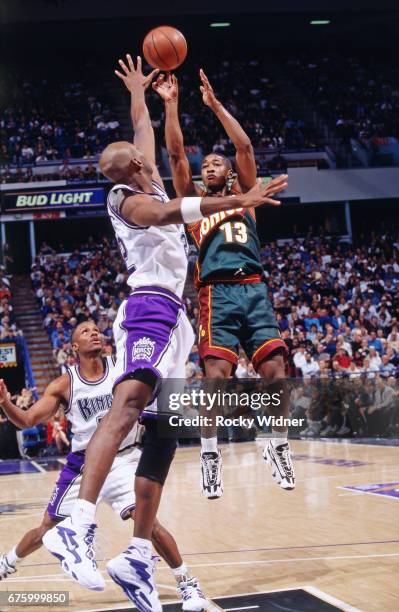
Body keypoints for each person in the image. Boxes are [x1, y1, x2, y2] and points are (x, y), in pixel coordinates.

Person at [41, 54, 288, 612]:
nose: (145, 154)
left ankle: (135, 554)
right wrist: (239, 200)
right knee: (128, 403)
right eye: (137, 157)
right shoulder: (131, 200)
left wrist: (141, 93)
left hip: (178, 317)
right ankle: (77, 525)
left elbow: (141, 130)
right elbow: (172, 213)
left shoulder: (140, 169)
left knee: (163, 433)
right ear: (128, 169)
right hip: (149, 307)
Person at [0, 321, 207, 611]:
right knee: (47, 528)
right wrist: (6, 404)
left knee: (147, 521)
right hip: (85, 464)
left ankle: (187, 584)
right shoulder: (65, 384)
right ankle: (7, 563)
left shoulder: (122, 368)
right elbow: (27, 420)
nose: (93, 332)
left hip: (123, 458)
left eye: (96, 329)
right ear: (74, 347)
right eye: (85, 331)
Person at [154, 70, 294, 498]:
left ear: (231, 175)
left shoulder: (248, 195)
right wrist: (172, 104)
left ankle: (276, 442)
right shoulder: (198, 205)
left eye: (216, 163)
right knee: (216, 376)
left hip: (254, 288)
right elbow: (177, 156)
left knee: (276, 371)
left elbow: (244, 146)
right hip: (216, 292)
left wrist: (214, 105)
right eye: (206, 165)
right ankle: (210, 454)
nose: (208, 166)